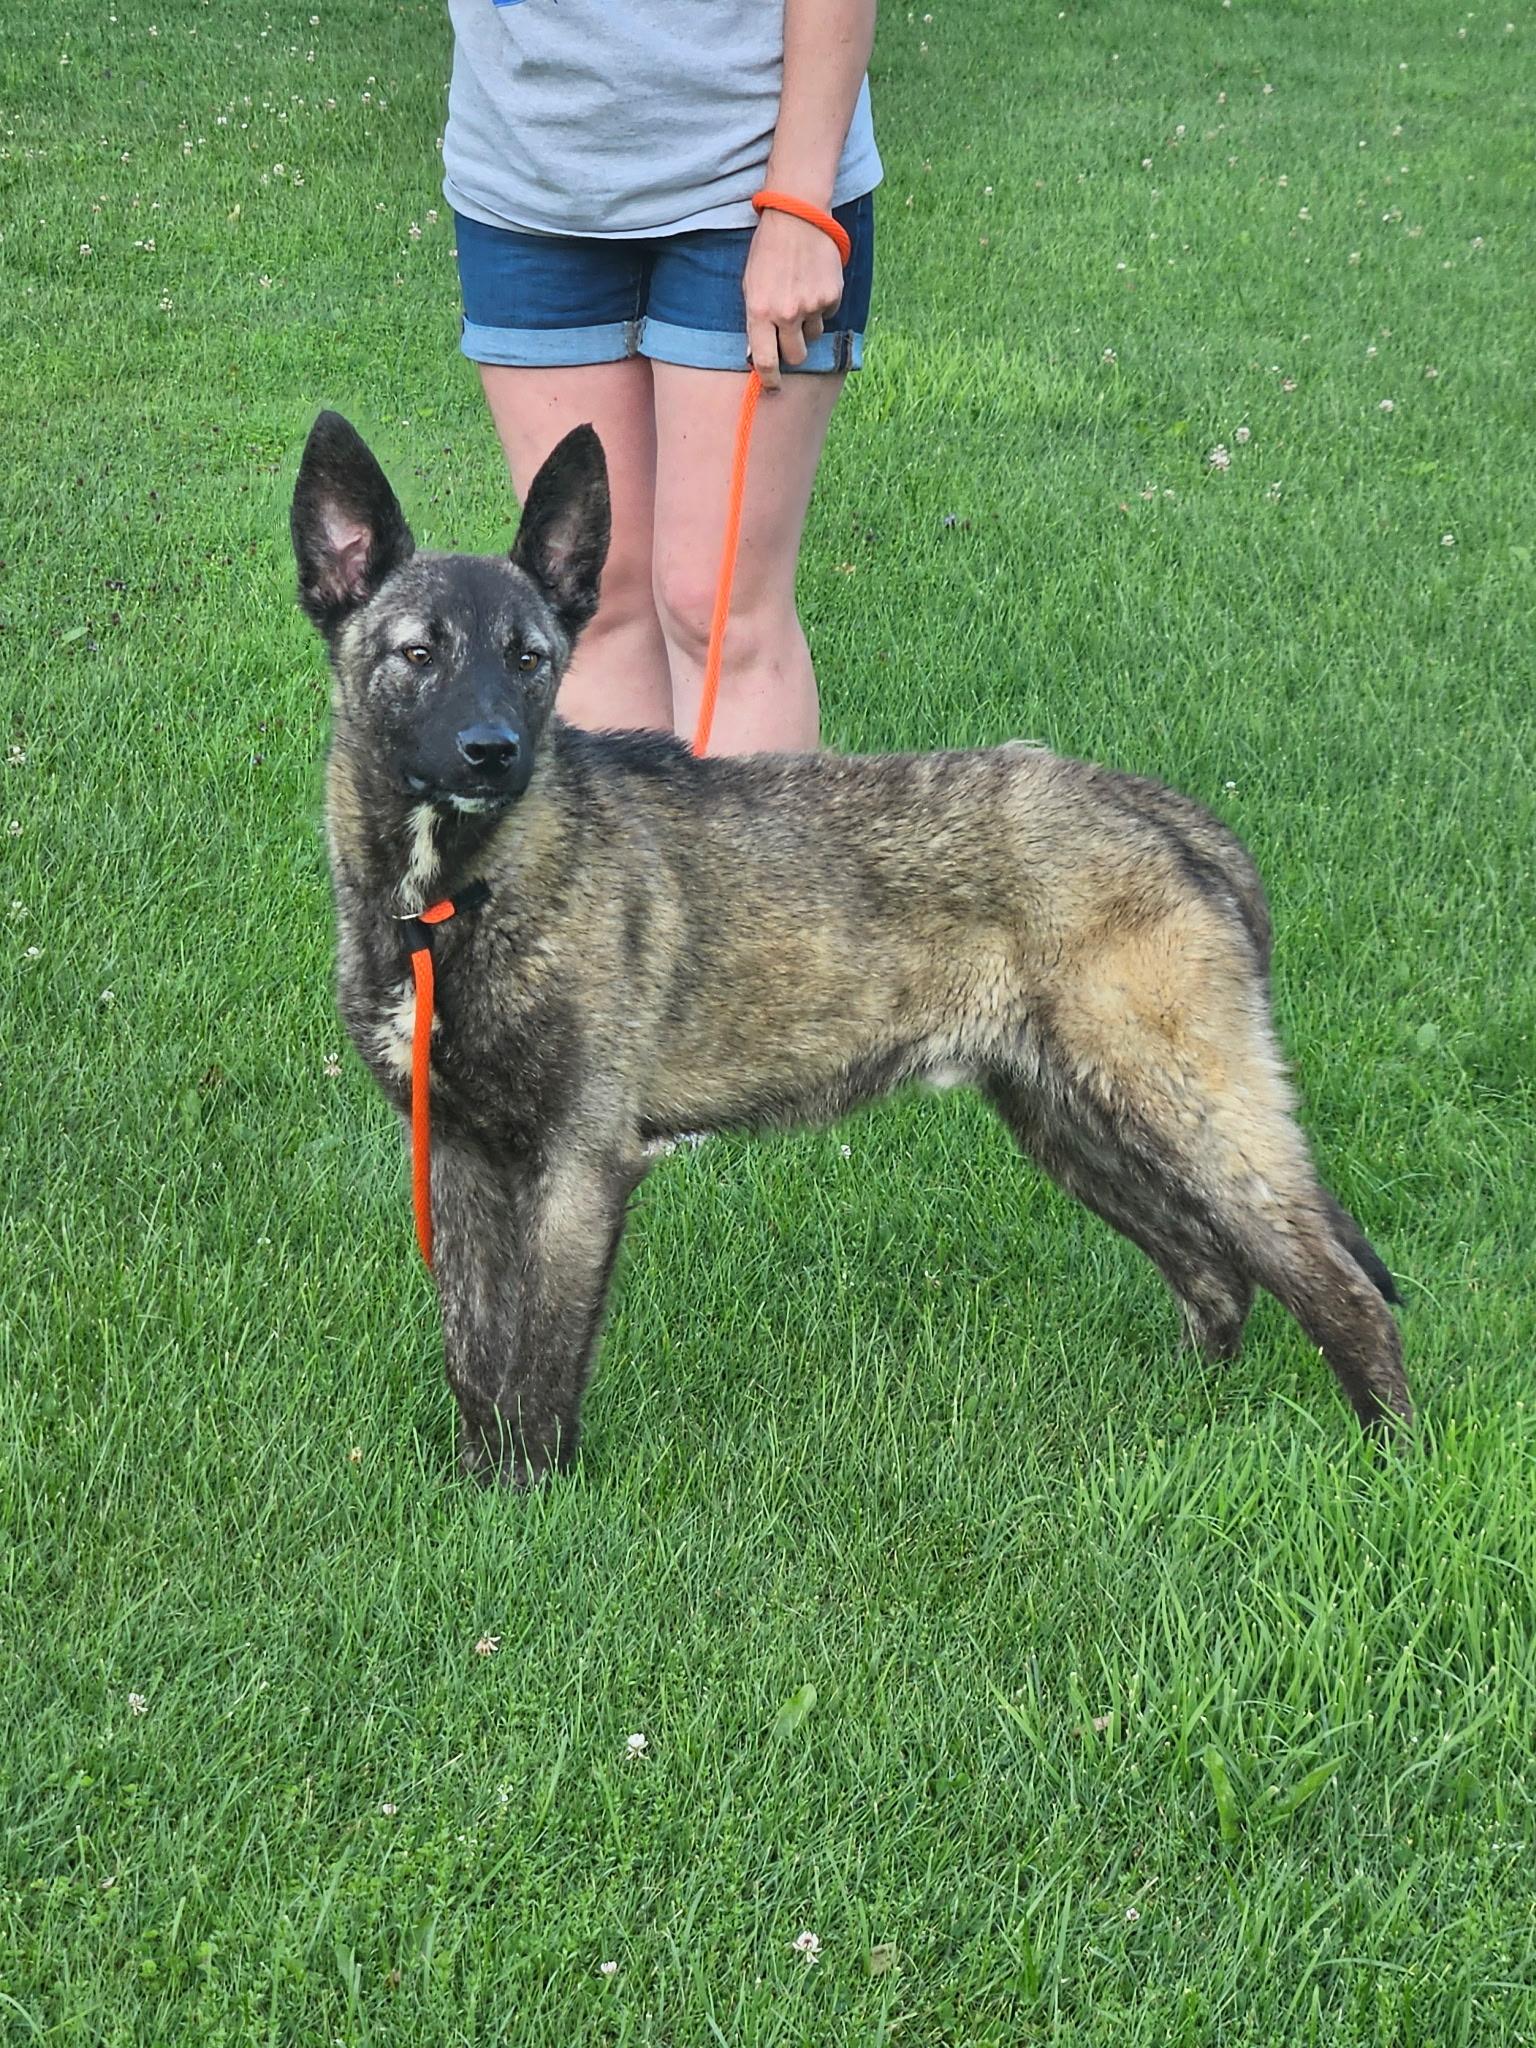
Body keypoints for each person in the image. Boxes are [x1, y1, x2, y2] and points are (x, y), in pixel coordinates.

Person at [442, 0, 880, 753]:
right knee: (594, 599)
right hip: (525, 178)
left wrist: (802, 202)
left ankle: (752, 878)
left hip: (752, 171)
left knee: (719, 614)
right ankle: (625, 877)